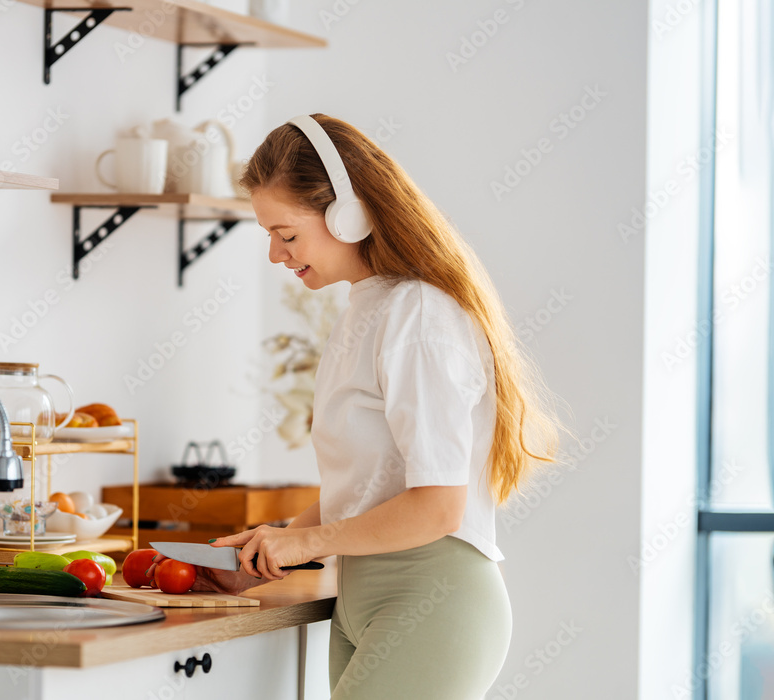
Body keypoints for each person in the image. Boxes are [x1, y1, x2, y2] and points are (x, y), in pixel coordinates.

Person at [150, 114, 562, 699]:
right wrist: (273, 548)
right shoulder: (367, 310)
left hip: (431, 600)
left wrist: (302, 545)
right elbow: (373, 485)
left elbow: (439, 507)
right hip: (366, 598)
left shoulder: (417, 315)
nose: (274, 254)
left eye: (286, 234)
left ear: (350, 213)